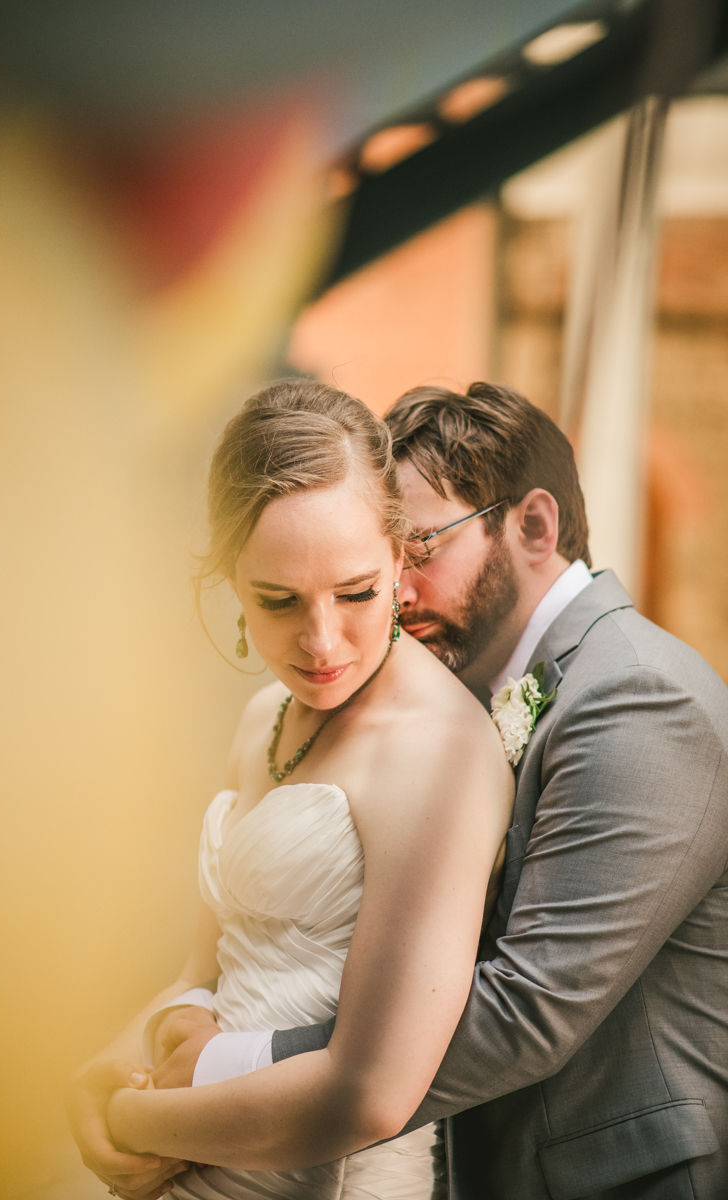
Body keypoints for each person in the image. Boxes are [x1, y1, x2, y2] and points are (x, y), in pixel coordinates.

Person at [73, 382, 728, 1200]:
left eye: (421, 549)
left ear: (532, 524)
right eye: (279, 597)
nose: (402, 592)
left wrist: (216, 1069)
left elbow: (523, 1008)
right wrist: (135, 1055)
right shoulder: (410, 688)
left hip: (611, 1176)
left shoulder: (635, 695)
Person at [66, 379, 514, 1199]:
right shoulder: (263, 717)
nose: (320, 642)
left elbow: (372, 1089)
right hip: (193, 1142)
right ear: (228, 577)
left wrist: (135, 1124)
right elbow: (205, 969)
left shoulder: (441, 751)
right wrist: (100, 1075)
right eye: (277, 601)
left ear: (399, 559)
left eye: (355, 594)